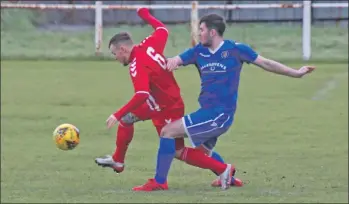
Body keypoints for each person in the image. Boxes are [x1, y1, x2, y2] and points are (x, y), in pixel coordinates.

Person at [133, 13, 315, 192]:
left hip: (220, 114)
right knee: (202, 154)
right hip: (209, 111)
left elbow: (266, 63)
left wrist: (295, 73)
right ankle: (229, 177)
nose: (198, 34)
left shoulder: (236, 49)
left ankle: (159, 182)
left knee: (167, 132)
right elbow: (175, 60)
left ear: (212, 32)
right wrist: (167, 62)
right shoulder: (198, 51)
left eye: (201, 30)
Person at [94, 8, 242, 191]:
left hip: (166, 106)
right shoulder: (148, 45)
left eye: (114, 53)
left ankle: (220, 170)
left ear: (123, 49)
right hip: (158, 101)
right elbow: (162, 30)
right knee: (127, 120)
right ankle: (118, 161)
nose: (115, 58)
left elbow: (141, 94)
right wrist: (145, 15)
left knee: (177, 150)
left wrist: (116, 114)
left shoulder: (136, 65)